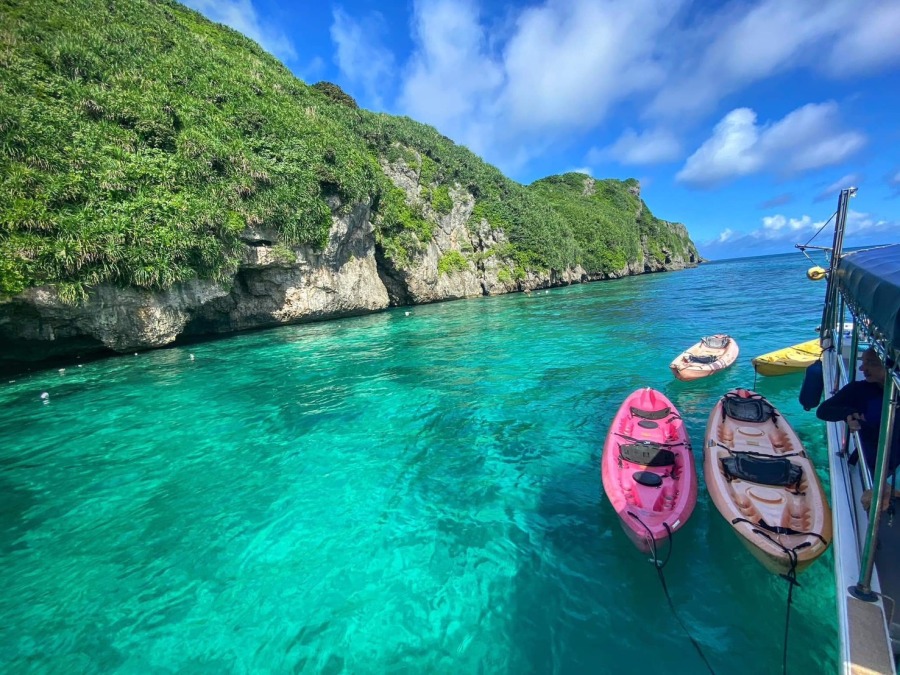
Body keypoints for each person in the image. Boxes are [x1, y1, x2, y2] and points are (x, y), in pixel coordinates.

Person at [816, 347, 900, 511]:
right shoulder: (858, 390)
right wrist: (848, 414)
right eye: (862, 362)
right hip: (875, 461)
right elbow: (823, 411)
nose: (862, 368)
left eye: (871, 363)